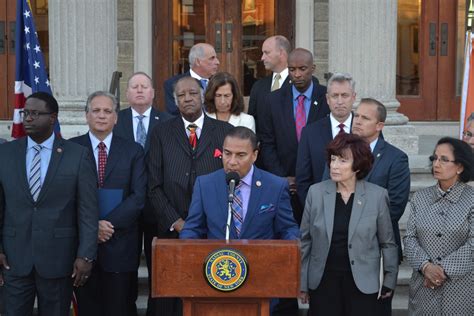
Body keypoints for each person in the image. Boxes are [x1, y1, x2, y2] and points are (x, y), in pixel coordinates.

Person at [0, 92, 98, 316]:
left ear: (52, 118)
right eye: (26, 113)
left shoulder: (77, 155)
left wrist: (85, 256)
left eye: (35, 113)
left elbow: (88, 211)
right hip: (14, 260)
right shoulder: (5, 154)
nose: (28, 118)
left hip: (59, 260)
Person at [147, 76, 233, 315]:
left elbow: (234, 180)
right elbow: (153, 185)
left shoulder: (225, 132)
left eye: (192, 93)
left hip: (213, 231)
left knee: (208, 294)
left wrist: (212, 221)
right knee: (171, 299)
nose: (187, 99)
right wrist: (177, 223)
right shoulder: (161, 133)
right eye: (181, 95)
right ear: (175, 101)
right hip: (172, 231)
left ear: (202, 96)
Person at [300, 133, 398, 316]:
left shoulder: (377, 196)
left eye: (343, 161)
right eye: (333, 159)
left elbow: (387, 242)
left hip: (363, 283)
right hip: (323, 282)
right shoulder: (316, 193)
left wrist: (389, 279)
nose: (334, 165)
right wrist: (302, 282)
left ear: (358, 166)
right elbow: (305, 241)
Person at [70, 91, 146, 316]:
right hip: (82, 248)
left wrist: (105, 225)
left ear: (116, 117)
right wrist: (92, 227)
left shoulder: (133, 150)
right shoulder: (70, 149)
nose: (101, 116)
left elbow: (138, 196)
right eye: (96, 110)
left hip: (120, 246)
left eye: (107, 111)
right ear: (86, 116)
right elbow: (64, 196)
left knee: (120, 308)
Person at [113, 71, 171, 316]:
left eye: (144, 86)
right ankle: (127, 307)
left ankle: (155, 311)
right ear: (126, 94)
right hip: (124, 206)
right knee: (125, 264)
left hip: (157, 207)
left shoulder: (167, 121)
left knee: (158, 262)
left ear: (153, 93)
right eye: (134, 86)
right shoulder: (116, 119)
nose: (139, 90)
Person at [180, 126, 299, 240]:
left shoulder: (276, 186)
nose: (232, 162)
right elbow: (192, 230)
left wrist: (292, 246)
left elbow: (288, 229)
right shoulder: (205, 185)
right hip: (220, 259)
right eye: (227, 153)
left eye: (240, 155)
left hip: (261, 258)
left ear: (254, 155)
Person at [259, 48, 330, 226]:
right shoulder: (272, 100)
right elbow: (267, 143)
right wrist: (281, 178)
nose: (297, 74)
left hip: (320, 183)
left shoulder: (327, 97)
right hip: (285, 184)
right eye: (292, 69)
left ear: (313, 68)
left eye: (302, 69)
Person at [404, 137, 473, 315]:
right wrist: (426, 267)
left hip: (460, 291)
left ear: (460, 167)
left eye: (444, 159)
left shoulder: (471, 199)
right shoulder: (420, 197)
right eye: (434, 158)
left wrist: (442, 271)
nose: (436, 164)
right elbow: (410, 238)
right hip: (423, 289)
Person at [296, 72, 356, 204]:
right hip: (320, 209)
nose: (339, 101)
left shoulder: (365, 130)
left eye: (344, 95)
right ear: (328, 99)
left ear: (353, 97)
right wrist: (315, 210)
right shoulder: (310, 133)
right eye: (335, 96)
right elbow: (303, 179)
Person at [164, 43, 220, 115]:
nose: (217, 62)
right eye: (212, 58)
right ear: (198, 62)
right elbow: (174, 114)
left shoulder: (219, 83)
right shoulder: (173, 84)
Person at [248, 35, 291, 128]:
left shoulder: (301, 83)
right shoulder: (258, 86)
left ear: (281, 53)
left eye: (266, 53)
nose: (262, 58)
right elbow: (252, 119)